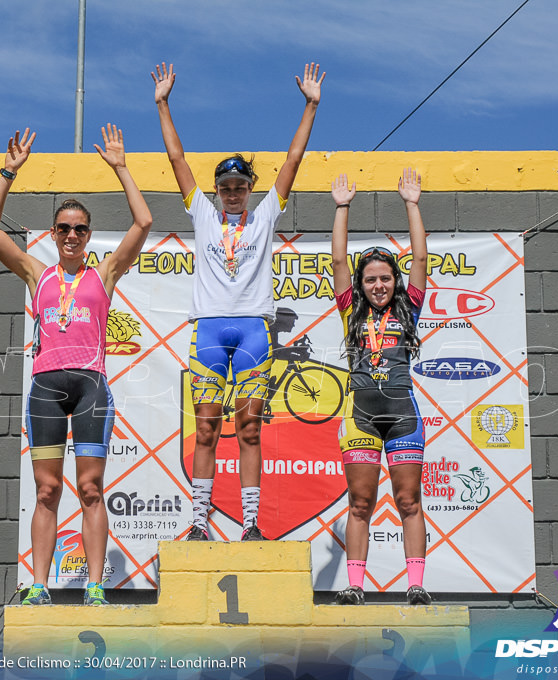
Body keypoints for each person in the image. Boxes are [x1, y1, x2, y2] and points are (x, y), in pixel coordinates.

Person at [0, 125, 152, 605]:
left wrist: (121, 168)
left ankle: (95, 585)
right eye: (63, 228)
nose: (72, 234)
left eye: (79, 228)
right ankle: (39, 584)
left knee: (91, 488)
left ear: (89, 235)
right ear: (53, 235)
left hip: (91, 385)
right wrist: (7, 173)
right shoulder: (37, 272)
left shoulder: (105, 273)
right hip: (46, 387)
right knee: (47, 490)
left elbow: (143, 223)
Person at [151, 61, 325, 541]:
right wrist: (163, 103)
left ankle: (250, 524)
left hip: (252, 331)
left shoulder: (265, 215)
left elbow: (291, 162)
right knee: (205, 429)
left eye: (239, 188)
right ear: (216, 193)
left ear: (250, 191)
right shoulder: (203, 216)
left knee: (250, 430)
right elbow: (177, 159)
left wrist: (310, 106)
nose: (232, 195)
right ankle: (200, 522)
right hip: (208, 330)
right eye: (225, 189)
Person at [329, 169, 432, 606]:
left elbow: (422, 261)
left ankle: (416, 585)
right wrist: (342, 208)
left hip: (403, 416)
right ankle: (354, 585)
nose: (378, 285)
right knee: (360, 502)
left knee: (409, 501)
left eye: (385, 278)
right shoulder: (350, 311)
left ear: (396, 282)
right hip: (361, 417)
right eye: (370, 279)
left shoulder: (409, 308)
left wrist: (412, 204)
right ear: (361, 284)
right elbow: (337, 262)